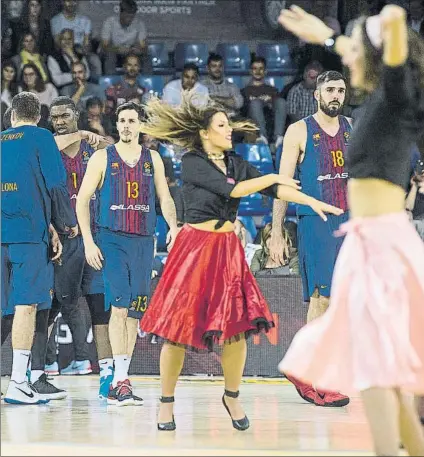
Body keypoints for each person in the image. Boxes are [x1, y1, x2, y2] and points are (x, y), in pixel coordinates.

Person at [137, 94, 343, 431]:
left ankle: (232, 396)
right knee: (177, 333)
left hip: (226, 249)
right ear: (205, 133)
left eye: (228, 124)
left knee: (236, 332)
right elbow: (232, 190)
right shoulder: (191, 161)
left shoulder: (235, 161)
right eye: (221, 125)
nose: (228, 129)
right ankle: (166, 402)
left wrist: (309, 200)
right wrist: (272, 179)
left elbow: (276, 190)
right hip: (194, 249)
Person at [278, 4, 424, 455]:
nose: (349, 61)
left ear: (378, 57)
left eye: (356, 53)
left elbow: (396, 16)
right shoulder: (380, 102)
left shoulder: (398, 95)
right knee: (384, 374)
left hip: (383, 241)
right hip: (364, 241)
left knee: (379, 371)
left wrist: (377, 29)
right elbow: (360, 53)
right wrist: (329, 37)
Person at [76, 102, 179, 406]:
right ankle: (120, 381)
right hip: (113, 240)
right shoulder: (101, 158)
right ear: (116, 124)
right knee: (119, 310)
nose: (126, 126)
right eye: (122, 120)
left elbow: (165, 196)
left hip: (144, 242)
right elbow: (82, 201)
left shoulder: (154, 159)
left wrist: (173, 225)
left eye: (132, 121)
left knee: (134, 312)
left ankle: (120, 378)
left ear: (140, 125)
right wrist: (88, 242)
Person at [270, 70, 351, 407]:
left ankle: (308, 369)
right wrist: (277, 232)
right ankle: (315, 375)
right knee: (322, 300)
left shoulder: (351, 127)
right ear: (317, 94)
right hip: (315, 224)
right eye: (330, 89)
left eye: (341, 90)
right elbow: (282, 185)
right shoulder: (299, 131)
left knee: (340, 304)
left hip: (349, 223)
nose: (336, 95)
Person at [1, 91, 76, 404]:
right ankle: (18, 382)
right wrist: (65, 223)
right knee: (27, 305)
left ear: (12, 116)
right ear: (38, 116)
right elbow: (56, 183)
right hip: (29, 236)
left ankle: (22, 381)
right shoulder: (43, 138)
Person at [47, 96, 115, 396]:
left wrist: (102, 139)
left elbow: (120, 157)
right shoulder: (48, 147)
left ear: (76, 114)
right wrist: (78, 134)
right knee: (51, 308)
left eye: (64, 115)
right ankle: (38, 370)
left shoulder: (95, 148)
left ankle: (109, 376)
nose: (59, 121)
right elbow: (49, 150)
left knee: (101, 307)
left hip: (95, 237)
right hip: (61, 239)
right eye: (54, 116)